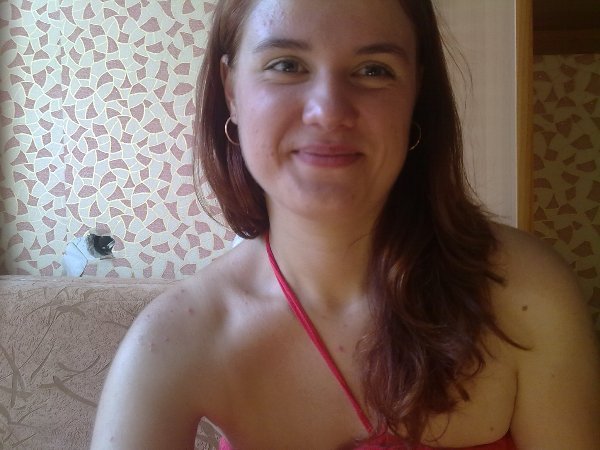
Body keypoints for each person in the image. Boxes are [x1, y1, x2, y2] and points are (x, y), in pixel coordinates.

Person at [90, 0, 600, 448]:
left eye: (374, 70)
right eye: (286, 65)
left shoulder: (527, 295)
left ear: (416, 92)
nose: (329, 111)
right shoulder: (172, 341)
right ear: (231, 91)